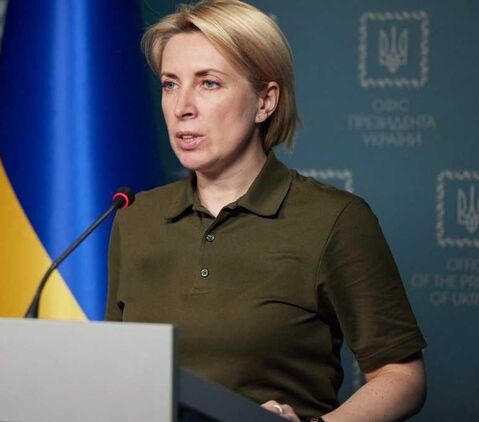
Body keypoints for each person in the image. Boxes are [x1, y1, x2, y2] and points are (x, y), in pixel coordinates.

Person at [105, 1, 426, 420]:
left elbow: (401, 376)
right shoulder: (135, 216)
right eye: (170, 84)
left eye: (209, 83)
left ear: (265, 101)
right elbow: (114, 374)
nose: (182, 106)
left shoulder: (335, 219)